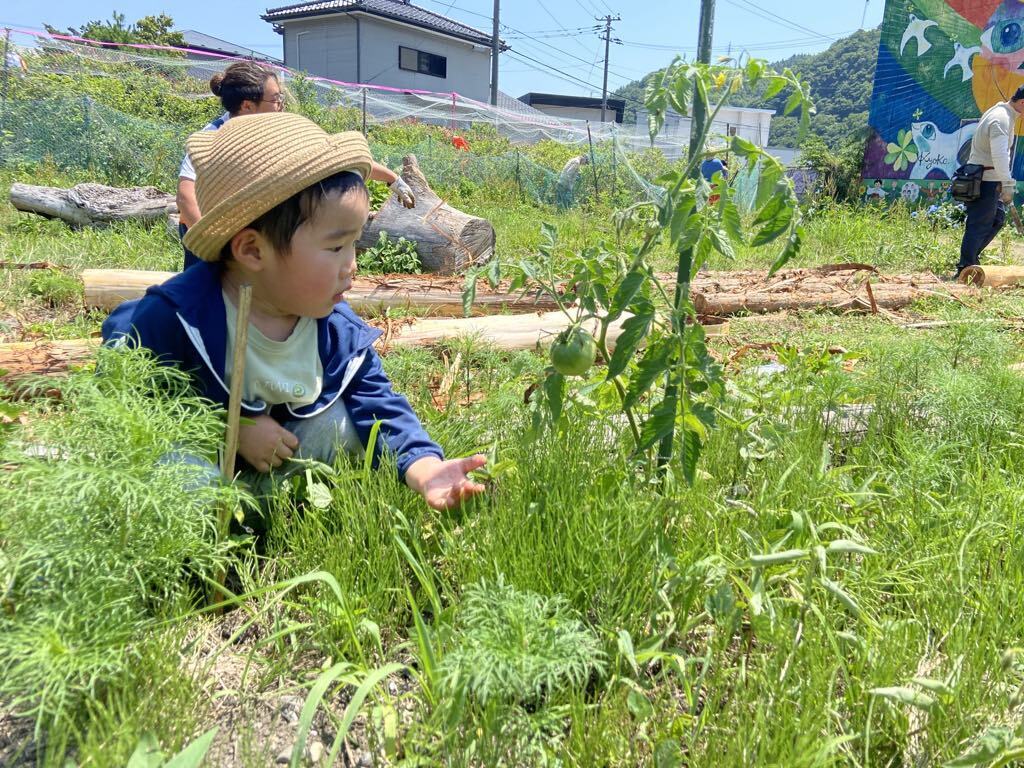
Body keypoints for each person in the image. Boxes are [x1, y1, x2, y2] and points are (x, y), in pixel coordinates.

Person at [106, 112, 486, 512]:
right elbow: (130, 399)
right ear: (252, 250)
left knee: (342, 426)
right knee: (177, 475)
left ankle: (274, 509)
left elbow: (377, 402)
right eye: (335, 247)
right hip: (204, 458)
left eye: (354, 244)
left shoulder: (333, 327)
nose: (352, 265)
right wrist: (232, 425)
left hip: (277, 458)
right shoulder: (179, 316)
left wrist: (425, 468)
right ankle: (208, 529)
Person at [177, 62, 417, 270]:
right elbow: (186, 197)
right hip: (209, 232)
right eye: (275, 99)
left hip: (250, 234)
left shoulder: (277, 131)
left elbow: (330, 157)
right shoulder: (210, 140)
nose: (281, 105)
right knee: (205, 298)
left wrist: (393, 179)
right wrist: (214, 246)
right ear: (247, 106)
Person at [957, 85, 1024, 277]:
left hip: (991, 179)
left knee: (997, 219)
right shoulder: (1001, 119)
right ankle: (965, 268)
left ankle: (971, 260)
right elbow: (1000, 155)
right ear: (1022, 102)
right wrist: (1007, 183)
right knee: (979, 225)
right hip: (985, 181)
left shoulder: (1004, 114)